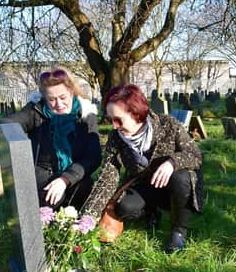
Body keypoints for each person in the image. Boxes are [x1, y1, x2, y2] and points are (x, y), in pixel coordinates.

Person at [81, 84, 203, 253]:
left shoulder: (168, 124)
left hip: (175, 187)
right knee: (124, 208)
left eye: (118, 119)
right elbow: (106, 177)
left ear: (136, 113)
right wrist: (86, 219)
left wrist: (171, 163)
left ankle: (179, 230)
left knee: (181, 177)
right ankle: (151, 213)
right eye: (110, 120)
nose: (114, 126)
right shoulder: (116, 138)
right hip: (146, 185)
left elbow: (195, 155)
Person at [0, 66, 101, 210]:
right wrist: (3, 129)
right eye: (52, 99)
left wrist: (65, 179)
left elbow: (93, 156)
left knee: (84, 198)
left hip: (76, 173)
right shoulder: (35, 111)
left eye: (63, 97)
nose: (58, 104)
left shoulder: (87, 116)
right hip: (43, 173)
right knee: (51, 202)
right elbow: (11, 121)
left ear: (71, 91)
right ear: (44, 97)